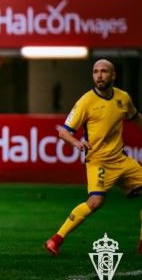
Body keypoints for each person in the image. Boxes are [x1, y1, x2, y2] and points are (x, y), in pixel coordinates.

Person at [45, 59, 142, 256]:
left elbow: (135, 117)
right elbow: (64, 132)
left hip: (121, 160)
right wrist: (76, 142)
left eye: (104, 71)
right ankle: (56, 239)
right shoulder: (85, 102)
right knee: (95, 203)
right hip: (98, 162)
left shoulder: (123, 98)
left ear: (113, 75)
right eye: (95, 71)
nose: (99, 75)